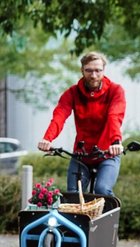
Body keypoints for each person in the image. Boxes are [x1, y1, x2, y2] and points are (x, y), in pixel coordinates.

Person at [37, 51, 126, 196]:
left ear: (104, 70)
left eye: (98, 70)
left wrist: (116, 141)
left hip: (108, 153)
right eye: (89, 70)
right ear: (82, 70)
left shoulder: (115, 91)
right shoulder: (72, 93)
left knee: (102, 190)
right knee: (72, 195)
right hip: (82, 155)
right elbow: (59, 116)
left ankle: (110, 218)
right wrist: (47, 138)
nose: (94, 75)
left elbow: (114, 116)